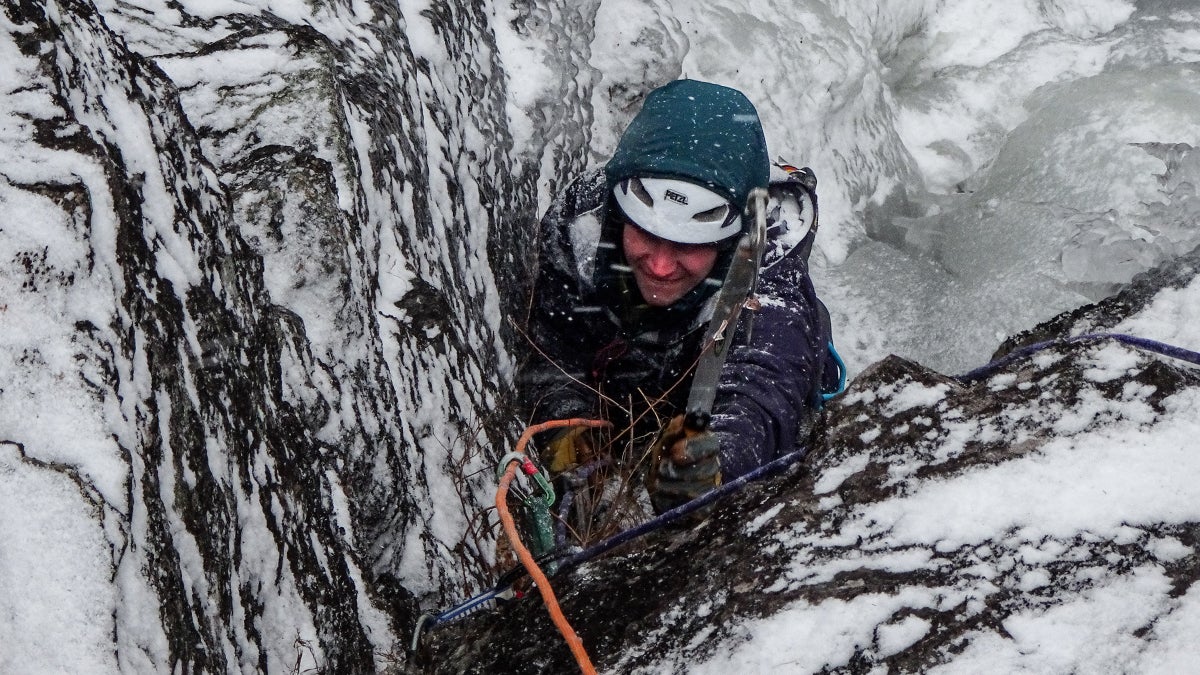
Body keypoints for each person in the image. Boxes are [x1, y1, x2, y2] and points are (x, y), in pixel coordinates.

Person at [517, 79, 840, 521]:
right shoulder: (582, 225)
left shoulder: (768, 269)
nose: (662, 266)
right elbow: (554, 349)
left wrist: (716, 461)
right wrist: (570, 433)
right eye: (648, 235)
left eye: (689, 245)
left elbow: (765, 387)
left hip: (703, 412)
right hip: (625, 390)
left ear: (729, 241)